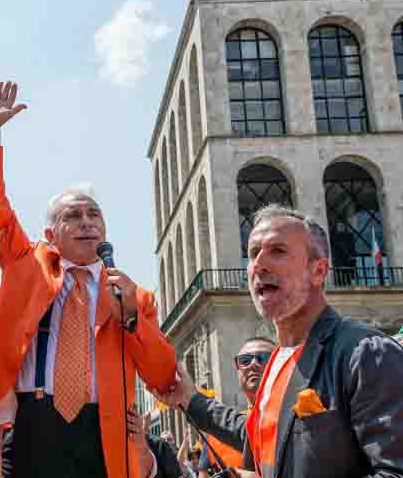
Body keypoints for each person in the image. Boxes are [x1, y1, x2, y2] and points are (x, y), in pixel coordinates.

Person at [0, 80, 176, 478]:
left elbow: (163, 375)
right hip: (32, 425)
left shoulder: (134, 295)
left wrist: (131, 317)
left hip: (103, 431)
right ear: (50, 234)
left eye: (94, 215)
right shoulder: (26, 265)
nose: (86, 223)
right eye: (73, 217)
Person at [157, 204, 403, 478]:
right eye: (252, 253)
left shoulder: (368, 353)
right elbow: (266, 433)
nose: (258, 264)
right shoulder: (276, 361)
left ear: (319, 271)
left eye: (278, 251)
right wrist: (190, 399)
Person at [184, 337, 277, 475]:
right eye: (245, 360)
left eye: (263, 358)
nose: (253, 364)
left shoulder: (295, 421)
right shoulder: (214, 435)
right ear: (238, 370)